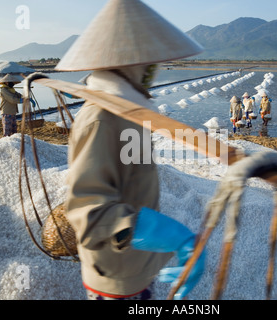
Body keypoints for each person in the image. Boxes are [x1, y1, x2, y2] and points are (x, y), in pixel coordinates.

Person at [55, 0, 205, 301]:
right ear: (129, 62)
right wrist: (165, 232)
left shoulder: (129, 111)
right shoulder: (101, 119)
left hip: (135, 265)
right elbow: (89, 212)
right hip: (114, 277)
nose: (155, 68)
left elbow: (131, 177)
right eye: (149, 60)